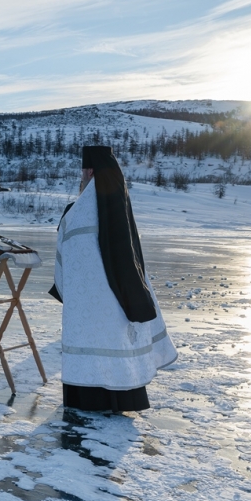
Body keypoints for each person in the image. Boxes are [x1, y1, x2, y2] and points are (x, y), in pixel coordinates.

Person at [50, 146, 177, 412]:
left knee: (89, 345)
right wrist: (136, 296)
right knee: (114, 343)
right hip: (115, 296)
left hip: (82, 305)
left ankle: (86, 400)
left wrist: (69, 293)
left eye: (84, 170)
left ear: (89, 171)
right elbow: (128, 256)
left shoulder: (73, 213)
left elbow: (62, 261)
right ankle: (122, 399)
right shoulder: (115, 205)